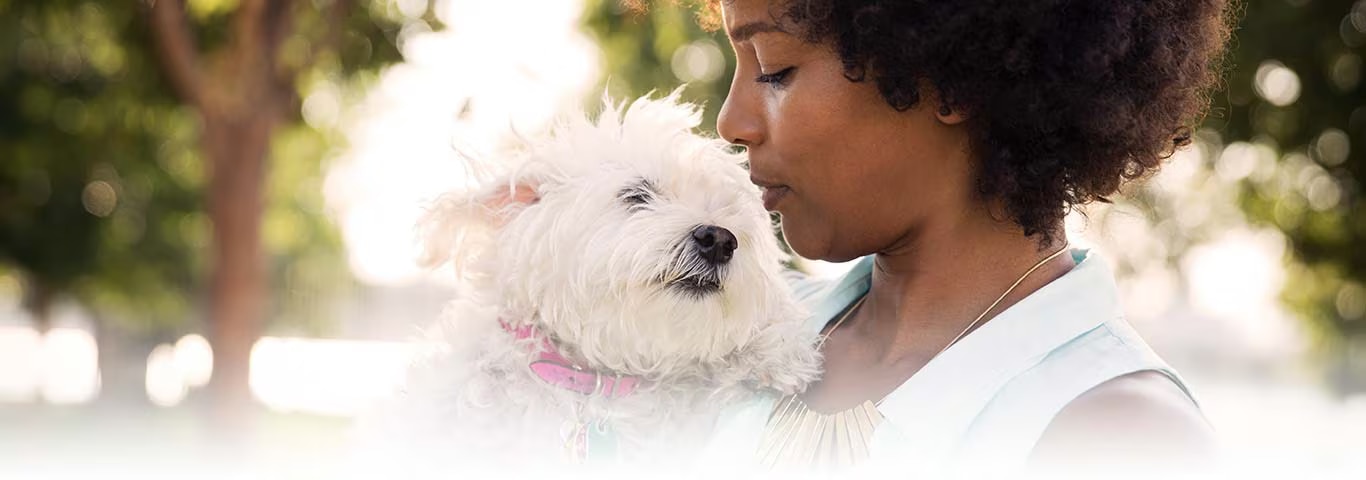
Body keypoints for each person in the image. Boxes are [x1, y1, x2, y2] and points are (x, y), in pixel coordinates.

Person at [696, 0, 1235, 475]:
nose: (730, 121)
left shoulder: (1125, 438)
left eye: (773, 69)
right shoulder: (727, 332)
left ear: (947, 78)